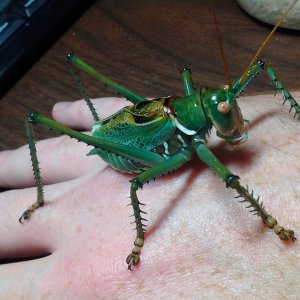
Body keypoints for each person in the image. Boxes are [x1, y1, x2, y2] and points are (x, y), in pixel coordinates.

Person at [0, 95, 299, 299]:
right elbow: (135, 186)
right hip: (128, 154)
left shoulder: (202, 110)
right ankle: (270, 223)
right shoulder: (191, 143)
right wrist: (138, 242)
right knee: (218, 180)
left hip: (159, 121)